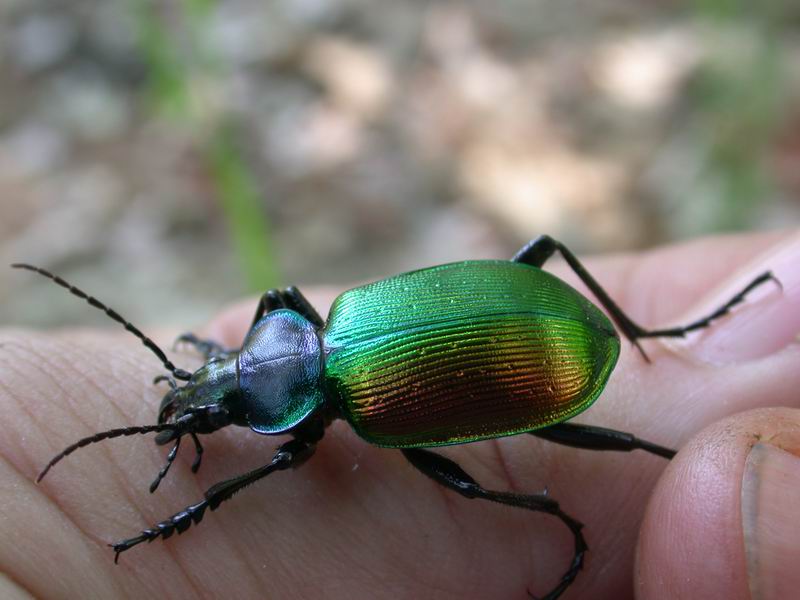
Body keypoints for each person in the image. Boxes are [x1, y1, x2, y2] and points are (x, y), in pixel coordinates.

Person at [1, 231, 798, 599]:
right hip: (523, 312)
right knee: (543, 249)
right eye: (219, 386)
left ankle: (578, 476)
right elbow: (275, 316)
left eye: (218, 385)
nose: (207, 399)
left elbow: (282, 458)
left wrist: (200, 506)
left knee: (482, 486)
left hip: (553, 357)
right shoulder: (330, 315)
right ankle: (656, 339)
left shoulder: (356, 410)